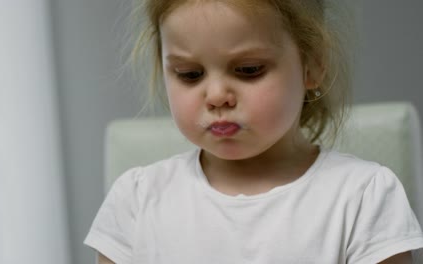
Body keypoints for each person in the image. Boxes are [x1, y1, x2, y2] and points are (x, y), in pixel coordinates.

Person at [84, 0, 423, 263]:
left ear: (313, 64)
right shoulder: (137, 200)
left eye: (248, 70)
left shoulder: (364, 197)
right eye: (189, 74)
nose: (216, 96)